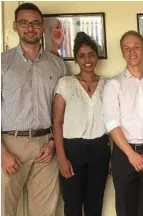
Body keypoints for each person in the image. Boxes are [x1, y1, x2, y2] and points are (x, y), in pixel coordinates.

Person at [1, 3, 66, 216]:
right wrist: (2, 153)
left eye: (36, 23)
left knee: (46, 211)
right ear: (15, 26)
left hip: (47, 147)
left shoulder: (57, 64)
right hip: (10, 145)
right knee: (4, 209)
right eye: (24, 23)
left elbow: (62, 110)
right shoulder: (3, 63)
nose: (30, 28)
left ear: (41, 27)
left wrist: (54, 143)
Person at [103, 30, 143, 216]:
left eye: (136, 46)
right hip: (124, 155)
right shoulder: (114, 85)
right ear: (122, 53)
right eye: (127, 48)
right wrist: (131, 155)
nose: (132, 51)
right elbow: (112, 123)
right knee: (125, 209)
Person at [53, 32, 111, 216]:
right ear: (76, 59)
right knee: (72, 204)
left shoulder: (107, 84)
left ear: (97, 57)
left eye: (91, 54)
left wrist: (111, 156)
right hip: (72, 150)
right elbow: (57, 122)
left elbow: (112, 124)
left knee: (95, 204)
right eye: (82, 55)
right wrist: (61, 158)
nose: (87, 59)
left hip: (100, 149)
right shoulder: (65, 84)